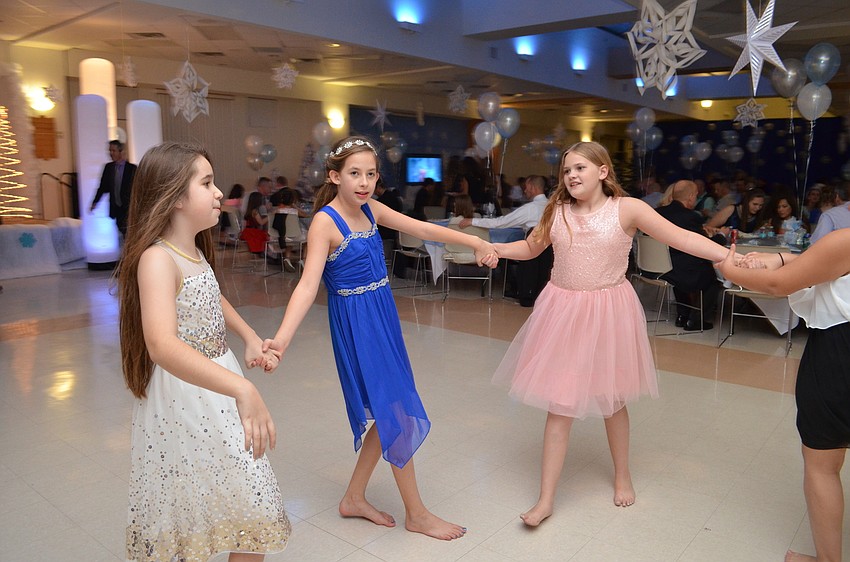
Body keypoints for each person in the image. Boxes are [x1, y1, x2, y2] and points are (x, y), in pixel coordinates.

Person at [262, 135, 497, 541]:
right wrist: (281, 340)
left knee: (391, 407)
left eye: (371, 174)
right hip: (358, 325)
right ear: (335, 176)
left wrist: (475, 240)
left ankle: (353, 497)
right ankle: (416, 514)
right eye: (355, 173)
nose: (364, 182)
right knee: (397, 409)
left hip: (382, 316)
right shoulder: (325, 222)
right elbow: (307, 286)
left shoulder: (371, 208)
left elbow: (421, 227)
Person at [489, 141, 735, 526]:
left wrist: (726, 256)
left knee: (613, 399)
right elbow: (531, 248)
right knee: (559, 404)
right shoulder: (557, 211)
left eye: (580, 168)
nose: (571, 176)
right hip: (563, 309)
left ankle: (622, 474)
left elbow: (681, 238)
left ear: (602, 171)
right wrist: (497, 251)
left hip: (608, 311)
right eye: (566, 170)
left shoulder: (627, 208)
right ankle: (546, 499)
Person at [117, 142, 290, 561]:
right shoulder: (157, 260)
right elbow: (161, 345)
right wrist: (242, 388)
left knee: (251, 503)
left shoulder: (192, 250)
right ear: (175, 196)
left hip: (217, 380)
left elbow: (211, 295)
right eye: (207, 183)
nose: (218, 193)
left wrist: (248, 335)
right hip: (186, 394)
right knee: (195, 501)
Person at [717, 229, 850, 562]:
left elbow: (779, 285)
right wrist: (779, 258)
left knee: (823, 463)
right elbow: (829, 265)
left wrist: (730, 270)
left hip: (840, 355)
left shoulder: (845, 241)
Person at [459, 175, 551, 307]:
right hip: (551, 248)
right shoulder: (553, 206)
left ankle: (523, 294)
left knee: (525, 270)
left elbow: (500, 223)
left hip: (533, 245)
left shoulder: (530, 209)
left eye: (526, 187)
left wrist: (472, 221)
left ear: (532, 187)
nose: (524, 191)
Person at [656, 180, 723, 331]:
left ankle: (683, 315)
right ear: (691, 197)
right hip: (681, 270)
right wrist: (722, 236)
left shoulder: (658, 213)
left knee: (680, 271)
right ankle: (697, 320)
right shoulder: (691, 216)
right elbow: (705, 246)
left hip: (660, 268)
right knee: (712, 279)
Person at [90, 139, 137, 237]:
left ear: (120, 151)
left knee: (129, 232)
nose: (111, 153)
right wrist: (95, 202)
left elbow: (137, 189)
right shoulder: (108, 168)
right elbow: (103, 187)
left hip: (129, 208)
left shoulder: (132, 168)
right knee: (122, 231)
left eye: (113, 151)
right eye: (110, 151)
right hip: (116, 208)